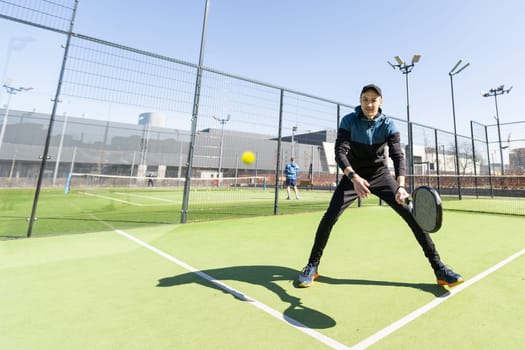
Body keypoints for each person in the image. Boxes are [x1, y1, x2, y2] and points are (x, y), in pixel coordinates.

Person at [297, 84, 463, 288]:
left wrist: (401, 186)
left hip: (380, 175)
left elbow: (397, 156)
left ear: (380, 102)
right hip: (354, 176)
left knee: (412, 215)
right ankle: (311, 267)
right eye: (365, 99)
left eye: (373, 100)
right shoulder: (348, 121)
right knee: (330, 216)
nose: (369, 103)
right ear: (360, 101)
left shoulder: (388, 125)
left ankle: (439, 269)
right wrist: (354, 178)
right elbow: (340, 152)